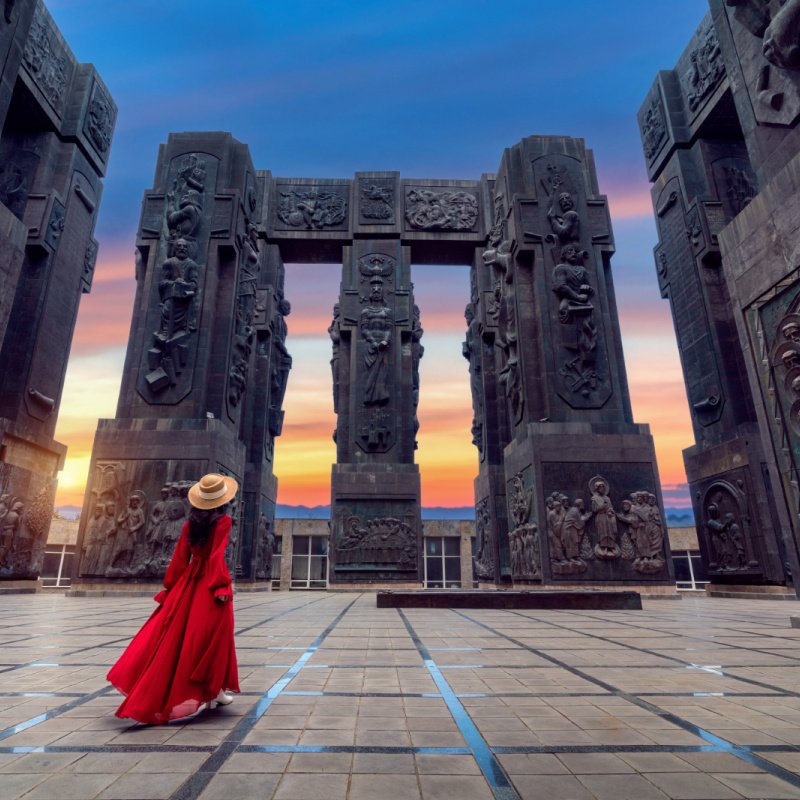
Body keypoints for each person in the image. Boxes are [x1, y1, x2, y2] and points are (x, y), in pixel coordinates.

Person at [107, 473, 240, 724]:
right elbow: (215, 557)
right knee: (215, 638)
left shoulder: (190, 524)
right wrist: (221, 586)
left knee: (180, 638)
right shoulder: (224, 522)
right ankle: (215, 690)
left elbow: (180, 558)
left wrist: (171, 587)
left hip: (188, 584)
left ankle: (214, 691)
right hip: (210, 586)